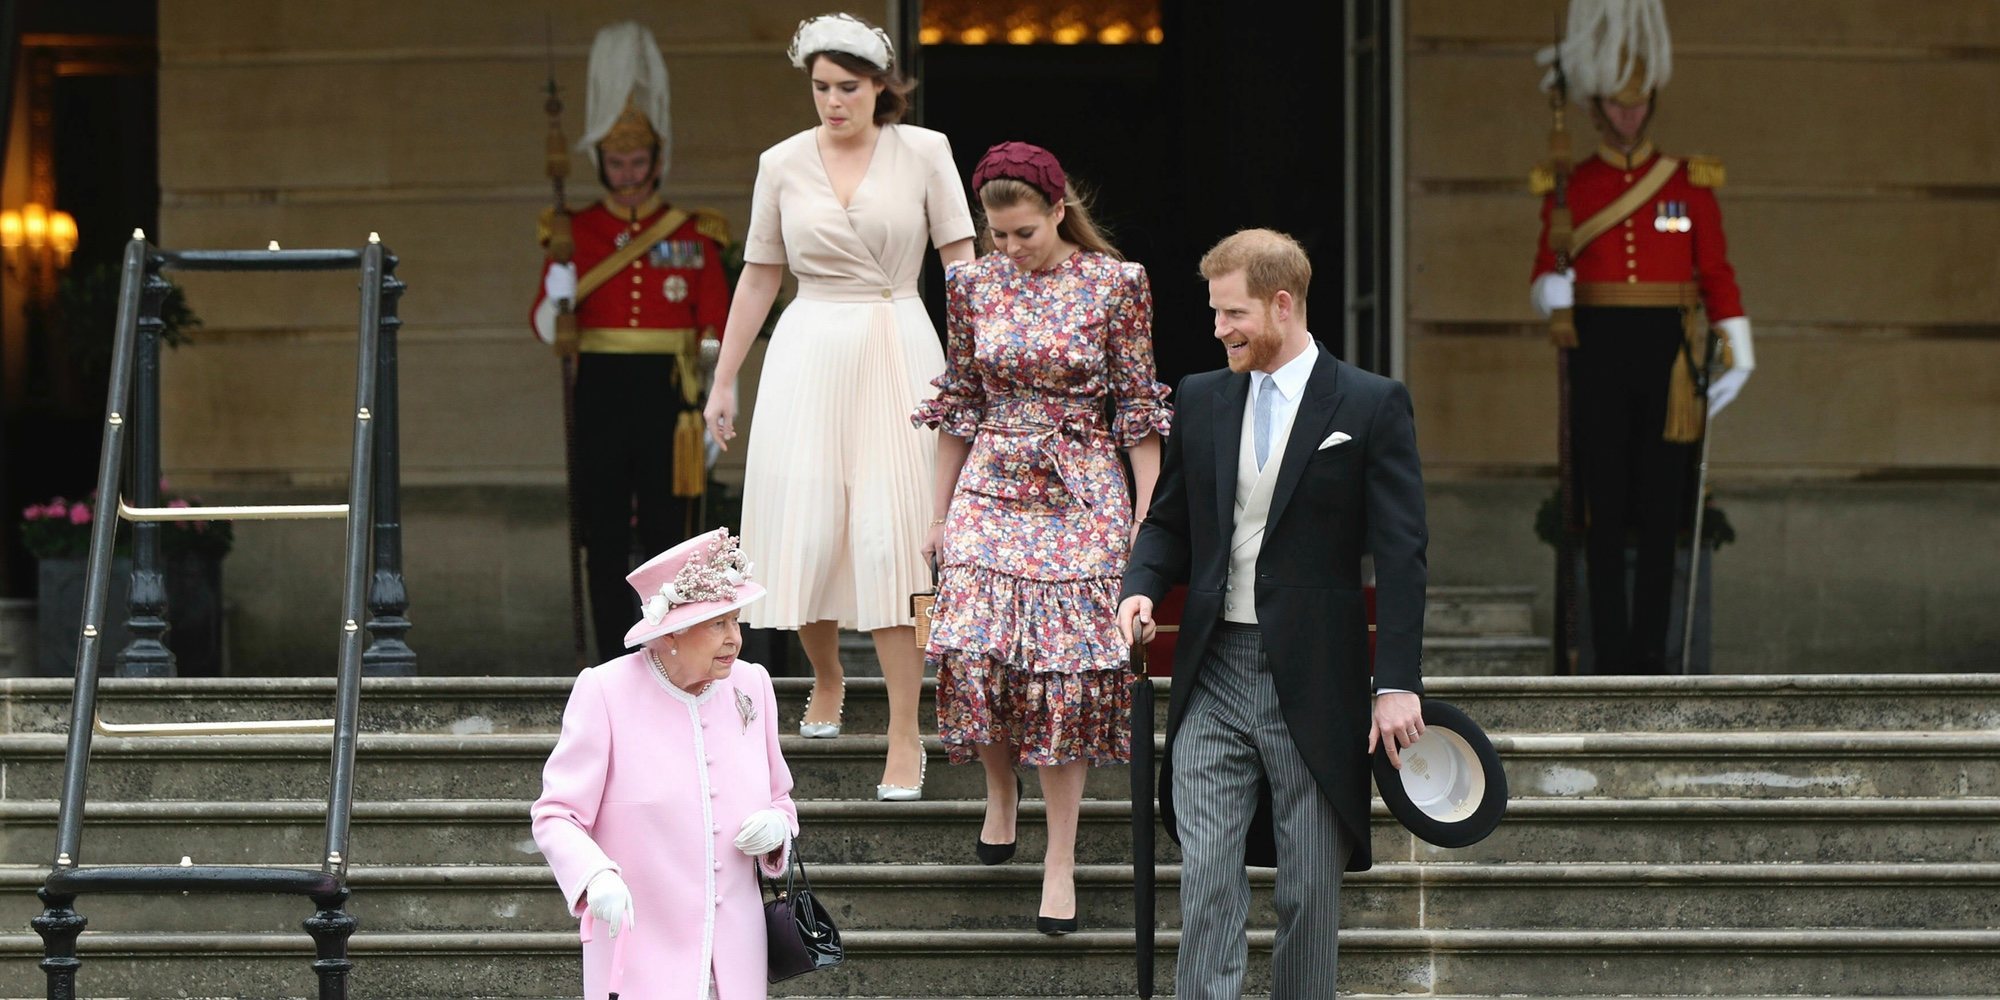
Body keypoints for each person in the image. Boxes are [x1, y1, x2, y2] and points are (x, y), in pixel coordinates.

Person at [1116, 229, 1427, 998]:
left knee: (1309, 895)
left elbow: (1402, 554)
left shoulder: (1369, 403)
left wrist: (1396, 683)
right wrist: (1140, 583)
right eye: (1216, 313)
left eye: (1233, 313)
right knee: (1208, 881)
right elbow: (1169, 519)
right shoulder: (1201, 396)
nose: (1218, 329)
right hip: (1213, 671)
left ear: (1282, 305)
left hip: (1316, 681)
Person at [702, 12, 976, 798]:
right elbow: (760, 273)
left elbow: (960, 263)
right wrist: (725, 379)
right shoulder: (781, 162)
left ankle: (903, 730)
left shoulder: (925, 152)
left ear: (882, 87)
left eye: (847, 87)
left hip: (898, 339)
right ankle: (826, 674)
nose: (832, 101)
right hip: (810, 345)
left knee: (893, 539)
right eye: (820, 87)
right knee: (809, 527)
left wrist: (976, 367)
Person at [912, 141, 1169, 933]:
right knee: (970, 643)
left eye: (1025, 232)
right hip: (992, 474)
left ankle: (1059, 860)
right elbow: (959, 402)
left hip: (1083, 480)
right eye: (999, 235)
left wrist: (1145, 518)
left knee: (1065, 671)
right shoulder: (970, 284)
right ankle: (999, 785)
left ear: (1060, 211)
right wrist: (939, 512)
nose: (1011, 249)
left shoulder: (1117, 284)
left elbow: (1136, 408)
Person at [1530, 0, 1755, 673]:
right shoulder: (1572, 185)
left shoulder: (1689, 181)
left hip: (1667, 354)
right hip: (1597, 347)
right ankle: (1611, 657)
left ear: (1650, 103)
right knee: (1602, 505)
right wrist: (1553, 293)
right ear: (1597, 107)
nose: (1629, 116)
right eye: (1617, 106)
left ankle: (1653, 655)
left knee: (1663, 509)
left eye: (1639, 105)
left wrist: (1739, 350)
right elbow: (1544, 268)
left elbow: (1715, 270)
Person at [532, 21, 732, 661]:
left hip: (669, 394)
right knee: (604, 527)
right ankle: (613, 654)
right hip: (601, 386)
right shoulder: (573, 230)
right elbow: (543, 325)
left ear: (656, 160)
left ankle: (675, 648)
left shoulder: (693, 233)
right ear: (599, 163)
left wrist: (707, 402)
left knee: (673, 533)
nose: (626, 173)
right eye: (616, 162)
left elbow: (715, 328)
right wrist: (560, 291)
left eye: (637, 161)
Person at [532, 527, 797, 999]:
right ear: (671, 633)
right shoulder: (605, 691)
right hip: (642, 950)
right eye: (717, 624)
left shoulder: (752, 685)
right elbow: (556, 815)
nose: (734, 639)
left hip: (737, 955)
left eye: (735, 621)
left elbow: (780, 797)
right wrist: (595, 876)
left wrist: (778, 829)